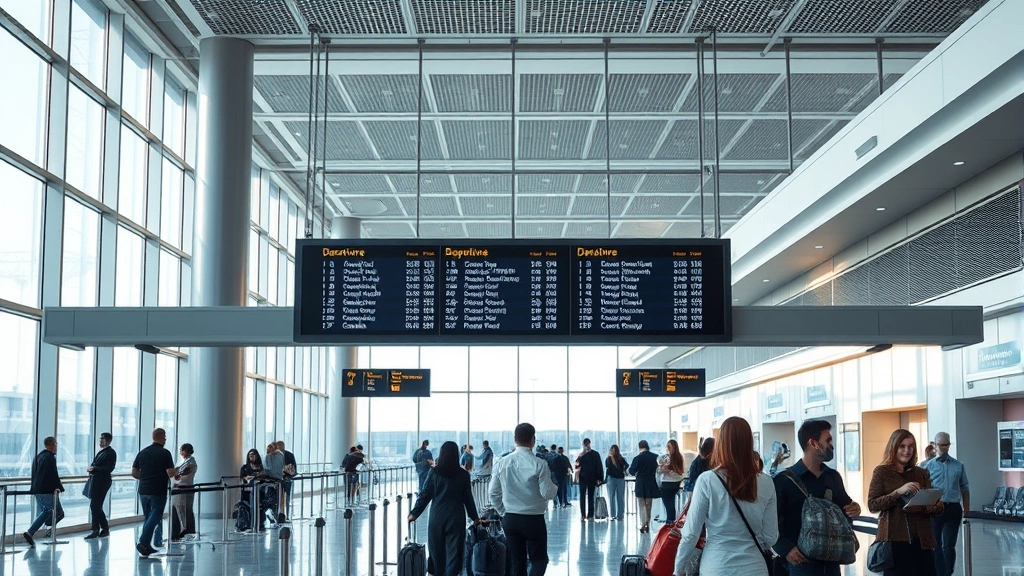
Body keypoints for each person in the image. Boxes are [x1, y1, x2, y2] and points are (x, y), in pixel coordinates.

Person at [672, 417, 779, 576]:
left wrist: (678, 570)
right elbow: (771, 537)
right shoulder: (766, 482)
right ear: (749, 443)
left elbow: (691, 534)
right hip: (755, 568)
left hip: (717, 566)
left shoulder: (707, 480)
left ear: (720, 444)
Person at [773, 420, 861, 576]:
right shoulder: (784, 481)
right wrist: (785, 549)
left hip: (832, 562)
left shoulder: (833, 477)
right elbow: (771, 522)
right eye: (827, 440)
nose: (831, 446)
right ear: (813, 443)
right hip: (800, 564)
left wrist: (854, 508)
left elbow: (844, 510)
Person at [868, 429, 942, 576]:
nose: (907, 450)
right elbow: (873, 504)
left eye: (910, 446)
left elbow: (935, 504)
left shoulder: (921, 473)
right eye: (902, 446)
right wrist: (898, 492)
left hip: (922, 540)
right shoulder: (882, 472)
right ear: (893, 447)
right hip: (894, 541)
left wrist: (935, 506)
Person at [488, 423, 558, 576]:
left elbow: (493, 493)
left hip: (511, 519)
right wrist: (555, 487)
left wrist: (503, 512)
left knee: (517, 561)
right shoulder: (540, 464)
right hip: (533, 519)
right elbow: (547, 493)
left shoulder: (502, 463)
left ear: (515, 439)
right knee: (539, 559)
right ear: (533, 440)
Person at [410, 441, 481, 576]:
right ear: (457, 455)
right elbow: (468, 499)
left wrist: (414, 513)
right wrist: (475, 518)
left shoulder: (434, 472)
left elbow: (425, 494)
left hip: (437, 517)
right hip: (456, 517)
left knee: (436, 554)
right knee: (454, 555)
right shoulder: (463, 475)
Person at [920, 432, 969, 576]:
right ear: (934, 445)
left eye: (946, 445)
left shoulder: (958, 465)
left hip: (953, 508)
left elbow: (965, 487)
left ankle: (948, 573)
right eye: (940, 445)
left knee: (949, 545)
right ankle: (938, 572)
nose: (944, 448)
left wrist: (967, 509)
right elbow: (921, 487)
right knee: (935, 545)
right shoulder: (926, 466)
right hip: (935, 508)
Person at [132, 428, 176, 556]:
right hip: (158, 490)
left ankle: (146, 545)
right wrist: (176, 471)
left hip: (143, 489)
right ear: (162, 438)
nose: (166, 439)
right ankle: (143, 542)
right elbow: (170, 473)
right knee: (156, 515)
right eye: (165, 436)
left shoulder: (142, 453)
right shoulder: (165, 453)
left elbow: (134, 472)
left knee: (148, 517)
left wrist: (145, 476)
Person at [24, 437, 65, 548]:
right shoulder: (50, 458)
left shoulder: (39, 456)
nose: (56, 446)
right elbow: (52, 474)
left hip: (39, 489)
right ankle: (31, 532)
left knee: (59, 513)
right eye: (56, 444)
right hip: (47, 490)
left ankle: (49, 531)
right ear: (53, 445)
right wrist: (60, 487)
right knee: (48, 511)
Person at [84, 432, 116, 540]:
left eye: (102, 439)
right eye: (100, 438)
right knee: (96, 506)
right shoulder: (101, 452)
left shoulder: (110, 453)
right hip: (97, 481)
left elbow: (109, 468)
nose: (100, 441)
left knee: (95, 505)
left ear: (107, 440)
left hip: (102, 482)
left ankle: (97, 529)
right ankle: (102, 528)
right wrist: (92, 468)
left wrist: (94, 469)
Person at [628, 440, 660, 534]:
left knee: (641, 504)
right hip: (650, 481)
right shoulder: (655, 457)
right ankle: (648, 524)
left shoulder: (637, 458)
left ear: (639, 447)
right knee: (648, 505)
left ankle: (643, 524)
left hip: (640, 482)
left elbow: (631, 471)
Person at [171, 443, 198, 541]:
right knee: (180, 510)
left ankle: (186, 529)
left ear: (186, 451)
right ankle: (182, 530)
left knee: (185, 510)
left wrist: (178, 474)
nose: (180, 452)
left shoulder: (191, 462)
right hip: (180, 489)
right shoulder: (186, 461)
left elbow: (183, 472)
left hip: (185, 489)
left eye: (182, 450)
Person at [574, 438, 603, 521]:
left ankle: (589, 514)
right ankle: (584, 515)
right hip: (585, 478)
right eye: (585, 444)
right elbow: (577, 465)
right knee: (584, 496)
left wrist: (599, 478)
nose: (586, 445)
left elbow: (599, 467)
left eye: (587, 444)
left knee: (589, 496)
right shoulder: (582, 455)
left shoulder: (595, 454)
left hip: (590, 478)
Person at [658, 439, 686, 522]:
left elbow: (661, 470)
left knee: (668, 506)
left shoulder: (667, 458)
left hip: (667, 483)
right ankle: (672, 522)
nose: (668, 449)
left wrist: (662, 469)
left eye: (669, 447)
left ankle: (669, 523)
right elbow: (681, 471)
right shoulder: (680, 457)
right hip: (677, 483)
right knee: (671, 505)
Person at [605, 444, 628, 521]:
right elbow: (608, 467)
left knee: (620, 497)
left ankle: (620, 514)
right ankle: (612, 514)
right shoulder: (608, 459)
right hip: (611, 479)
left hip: (620, 479)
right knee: (611, 496)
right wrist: (611, 458)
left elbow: (626, 465)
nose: (613, 452)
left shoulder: (621, 458)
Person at [277, 440, 297, 516]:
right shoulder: (275, 455)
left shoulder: (289, 455)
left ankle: (286, 514)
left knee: (287, 496)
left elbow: (293, 467)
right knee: (278, 497)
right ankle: (279, 514)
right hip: (278, 479)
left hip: (287, 479)